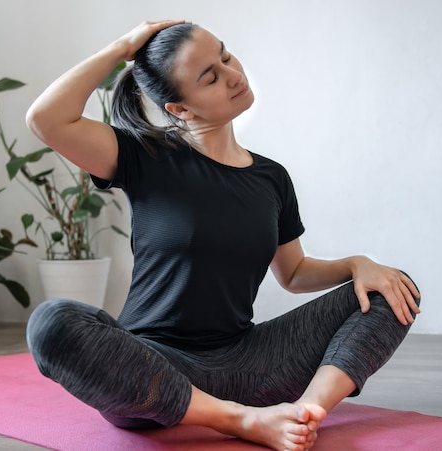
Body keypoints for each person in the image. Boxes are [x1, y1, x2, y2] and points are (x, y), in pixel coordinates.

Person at [24, 20, 421, 450]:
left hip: (246, 364)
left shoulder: (272, 178)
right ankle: (243, 422)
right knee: (52, 323)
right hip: (152, 371)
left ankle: (303, 413)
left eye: (226, 56)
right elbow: (45, 119)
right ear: (180, 109)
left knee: (392, 288)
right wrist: (123, 47)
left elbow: (294, 273)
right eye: (210, 77)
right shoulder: (145, 158)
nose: (233, 75)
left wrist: (357, 264)